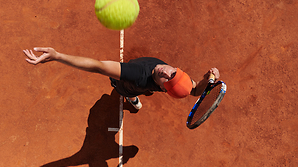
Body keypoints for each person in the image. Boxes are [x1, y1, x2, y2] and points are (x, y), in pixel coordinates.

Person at [23, 47, 220, 110]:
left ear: (164, 87)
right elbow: (195, 90)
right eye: (173, 72)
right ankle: (137, 97)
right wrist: (208, 80)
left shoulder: (137, 74)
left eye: (168, 79)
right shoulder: (179, 84)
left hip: (127, 85)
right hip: (149, 87)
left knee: (124, 90)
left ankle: (131, 99)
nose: (166, 72)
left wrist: (58, 57)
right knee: (144, 90)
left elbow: (97, 66)